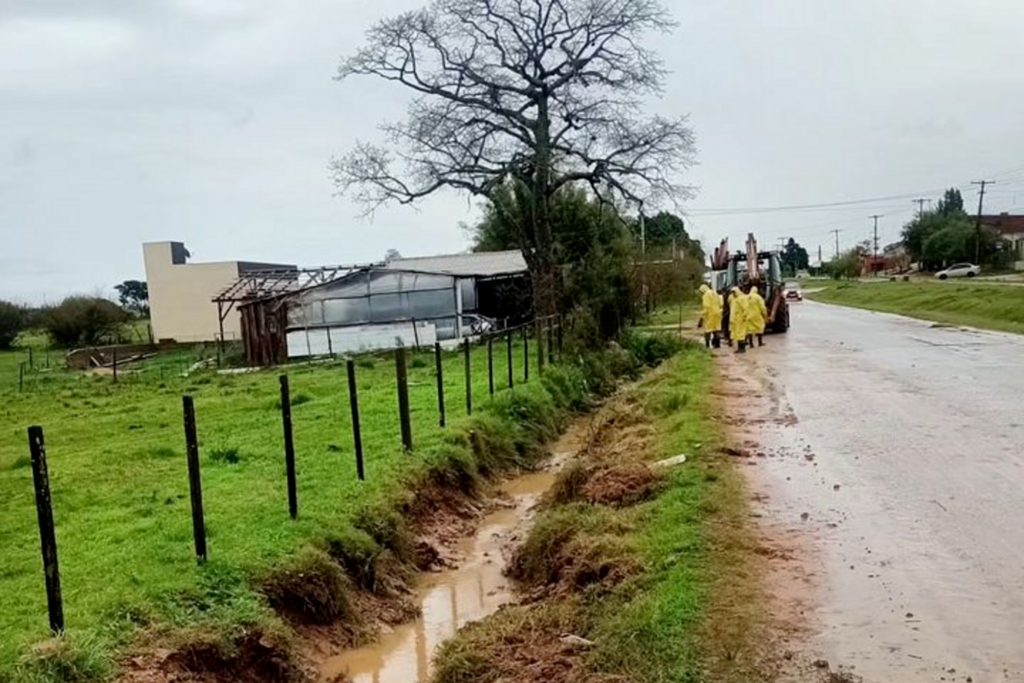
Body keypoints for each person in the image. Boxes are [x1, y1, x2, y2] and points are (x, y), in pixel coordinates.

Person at [698, 284, 723, 348]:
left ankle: (707, 345)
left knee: (708, 329)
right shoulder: (714, 293)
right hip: (717, 313)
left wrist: (701, 317)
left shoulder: (706, 295)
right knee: (716, 328)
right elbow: (720, 303)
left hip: (710, 314)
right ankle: (717, 344)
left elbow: (706, 307)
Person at [728, 286, 748, 353]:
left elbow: (745, 308)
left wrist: (744, 317)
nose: (733, 294)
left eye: (734, 292)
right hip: (735, 320)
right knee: (737, 334)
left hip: (740, 319)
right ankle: (739, 348)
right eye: (732, 292)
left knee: (741, 334)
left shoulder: (741, 298)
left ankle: (742, 348)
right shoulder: (734, 299)